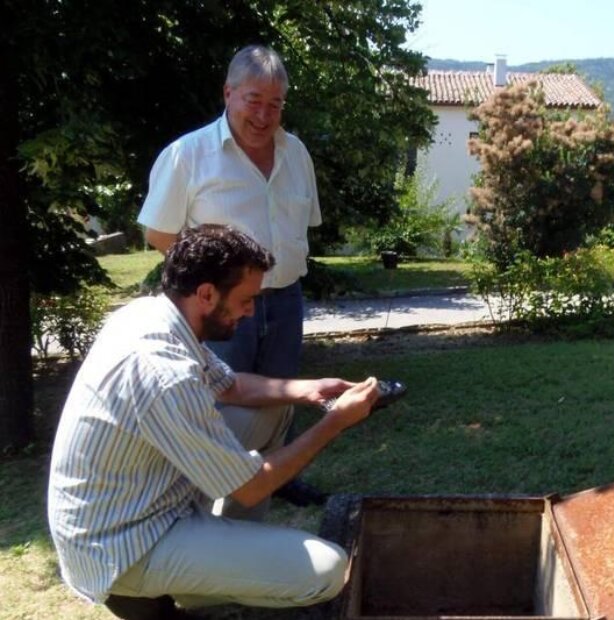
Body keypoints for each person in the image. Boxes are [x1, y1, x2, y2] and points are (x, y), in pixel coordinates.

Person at [48, 225, 380, 618]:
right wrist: (336, 421)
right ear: (206, 294)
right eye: (246, 299)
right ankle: (174, 587)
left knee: (275, 408)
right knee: (329, 570)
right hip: (122, 547)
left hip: (142, 499)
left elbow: (232, 386)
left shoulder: (152, 316)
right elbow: (253, 487)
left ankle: (219, 560)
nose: (251, 311)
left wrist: (310, 388)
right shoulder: (164, 374)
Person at [137, 44, 325, 506]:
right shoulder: (188, 154)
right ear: (228, 93)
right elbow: (158, 233)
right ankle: (214, 487)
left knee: (281, 393)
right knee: (220, 399)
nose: (263, 115)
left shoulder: (296, 153)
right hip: (219, 304)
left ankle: (278, 477)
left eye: (275, 104)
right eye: (253, 100)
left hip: (285, 297)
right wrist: (214, 283)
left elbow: (303, 225)